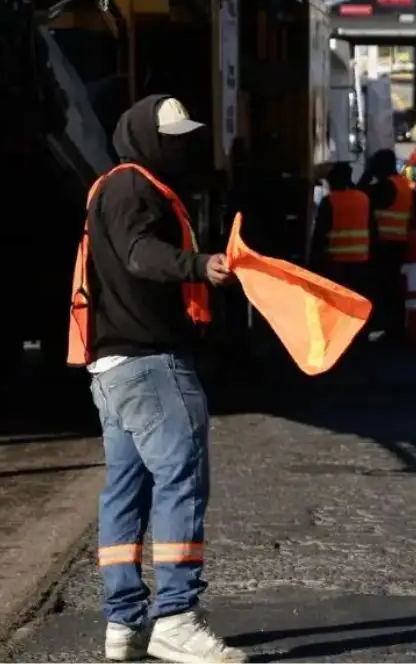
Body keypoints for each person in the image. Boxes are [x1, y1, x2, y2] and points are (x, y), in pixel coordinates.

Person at [67, 95, 245, 664]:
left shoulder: (112, 188)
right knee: (180, 478)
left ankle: (125, 623)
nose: (183, 147)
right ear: (147, 138)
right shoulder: (134, 188)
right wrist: (200, 265)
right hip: (150, 364)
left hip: (114, 368)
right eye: (174, 138)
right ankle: (176, 618)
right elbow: (142, 254)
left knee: (126, 489)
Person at [357, 149, 416, 342]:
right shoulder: (403, 185)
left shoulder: (385, 187)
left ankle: (388, 329)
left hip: (383, 245)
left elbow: (359, 196)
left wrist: (366, 174)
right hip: (398, 242)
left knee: (381, 288)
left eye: (376, 165)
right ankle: (396, 329)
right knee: (393, 288)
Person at [310, 161, 376, 296]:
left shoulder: (330, 201)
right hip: (360, 260)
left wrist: (314, 263)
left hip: (335, 261)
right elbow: (372, 228)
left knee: (336, 298)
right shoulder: (363, 199)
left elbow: (319, 234)